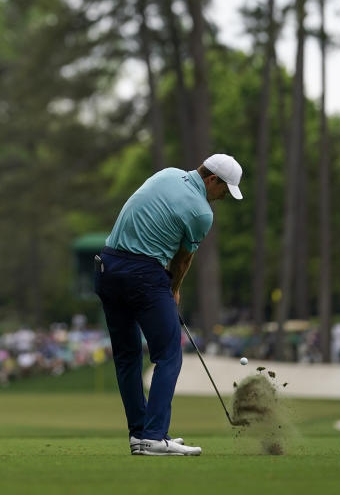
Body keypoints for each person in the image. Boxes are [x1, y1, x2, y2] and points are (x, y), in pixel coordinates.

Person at [95, 153, 243, 456]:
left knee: (127, 356)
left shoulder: (167, 174)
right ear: (212, 179)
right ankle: (154, 435)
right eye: (224, 191)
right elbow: (183, 259)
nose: (222, 198)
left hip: (107, 267)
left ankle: (139, 434)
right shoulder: (202, 212)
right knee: (169, 354)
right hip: (144, 275)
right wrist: (173, 290)